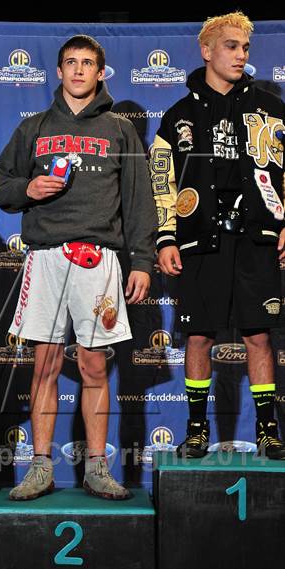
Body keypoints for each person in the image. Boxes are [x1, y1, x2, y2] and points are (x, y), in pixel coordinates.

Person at [0, 35, 157, 500]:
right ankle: (41, 466)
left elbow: (140, 202)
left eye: (88, 63)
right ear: (59, 71)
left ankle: (97, 467)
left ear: (101, 72)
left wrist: (141, 260)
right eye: (71, 62)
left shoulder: (120, 130)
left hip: (100, 259)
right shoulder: (35, 127)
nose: (79, 70)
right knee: (43, 366)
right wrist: (29, 188)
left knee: (94, 368)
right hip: (45, 257)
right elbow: (2, 183)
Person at [150, 11, 285, 459]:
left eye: (246, 48)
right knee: (199, 337)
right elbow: (161, 181)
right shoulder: (178, 116)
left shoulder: (271, 109)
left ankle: (268, 430)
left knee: (259, 337)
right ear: (206, 51)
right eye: (231, 46)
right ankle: (195, 429)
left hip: (256, 238)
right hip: (201, 240)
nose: (241, 55)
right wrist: (166, 237)